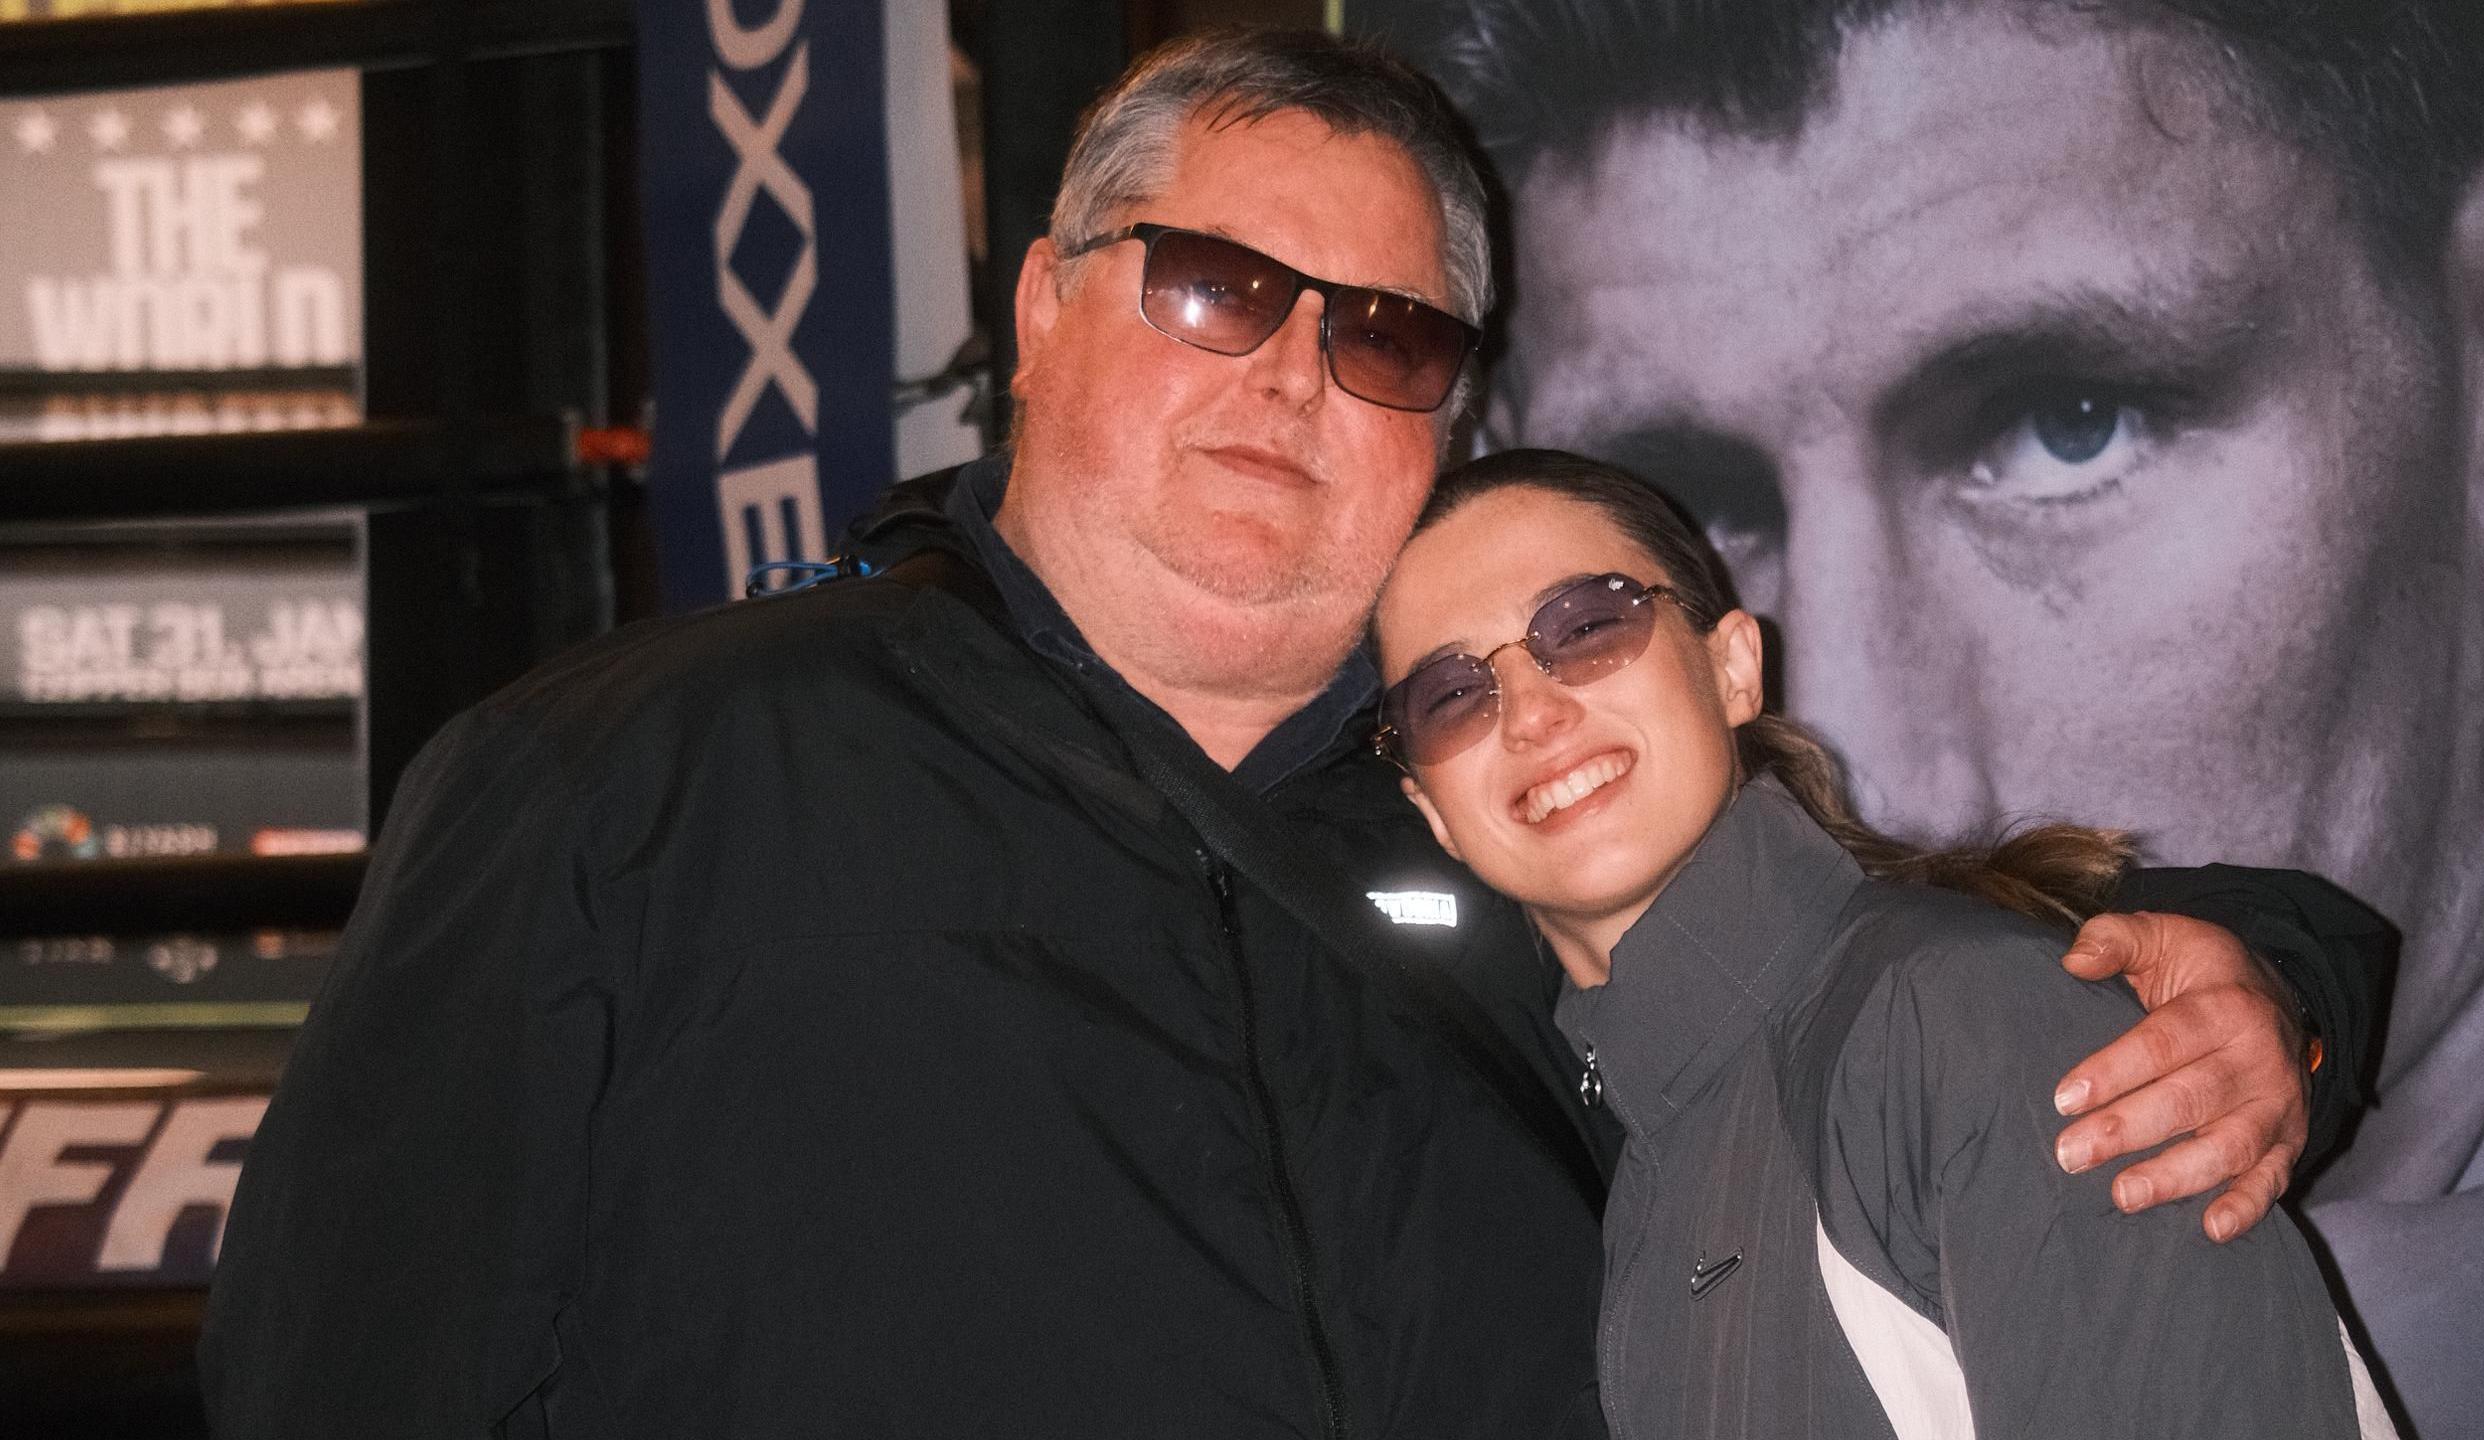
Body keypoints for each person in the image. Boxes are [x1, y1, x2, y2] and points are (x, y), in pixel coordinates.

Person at [203, 29, 2366, 1438]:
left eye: (1386, 334)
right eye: (1215, 286)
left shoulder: (1527, 823)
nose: (1294, 376)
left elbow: (1897, 956)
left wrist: (2265, 976)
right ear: (1043, 311)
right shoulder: (625, 791)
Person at [1364, 1, 2484, 1431]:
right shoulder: (1654, 1120)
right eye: (1451, 693)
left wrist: (2235, 986)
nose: (1870, 718)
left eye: (2067, 421)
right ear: (1420, 792)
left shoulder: (1976, 1035)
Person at [1370, 447, 2399, 1439]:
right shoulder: (1652, 1146)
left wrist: (2287, 987)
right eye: (1451, 695)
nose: (1534, 712)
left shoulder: (1953, 1018)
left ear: (1731, 668)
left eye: (1586, 624)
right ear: (1433, 811)